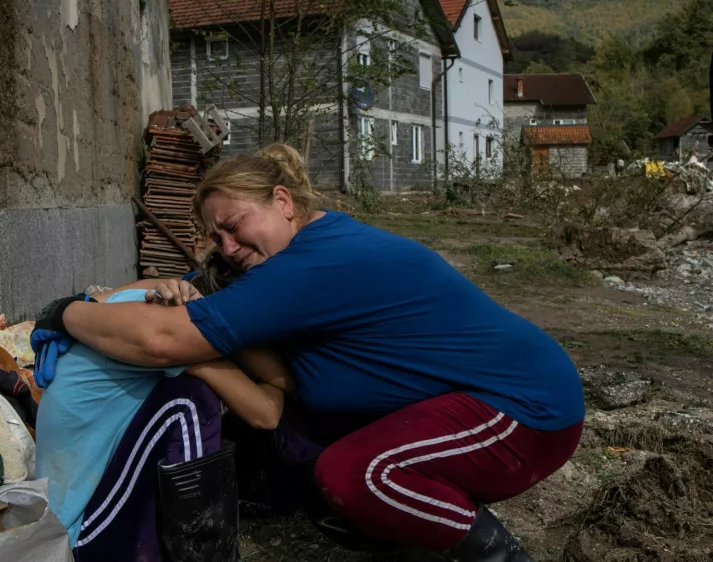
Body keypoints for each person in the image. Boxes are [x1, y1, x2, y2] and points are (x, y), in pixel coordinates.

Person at [36, 144, 585, 562]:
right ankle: (401, 522)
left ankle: (498, 552)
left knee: (357, 476)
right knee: (311, 463)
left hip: (524, 411)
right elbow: (198, 295)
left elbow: (159, 340)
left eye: (234, 226)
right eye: (214, 237)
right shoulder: (305, 250)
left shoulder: (310, 269)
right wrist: (170, 288)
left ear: (282, 202)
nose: (227, 247)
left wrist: (65, 312)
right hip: (461, 401)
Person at [34, 265, 291, 562]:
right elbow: (266, 413)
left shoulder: (146, 298)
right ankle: (201, 553)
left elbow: (103, 296)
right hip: (78, 534)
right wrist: (271, 378)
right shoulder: (169, 332)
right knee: (191, 402)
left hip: (75, 505)